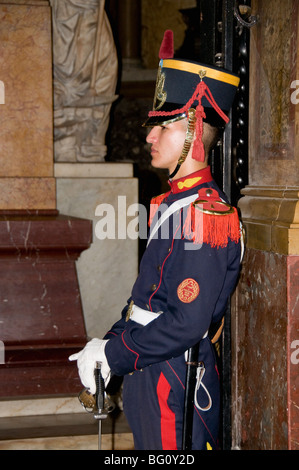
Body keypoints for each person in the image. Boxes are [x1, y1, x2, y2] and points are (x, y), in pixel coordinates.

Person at [69, 30, 242, 450]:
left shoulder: (206, 214)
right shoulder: (174, 203)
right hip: (150, 369)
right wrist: (109, 342)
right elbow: (147, 301)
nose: (149, 137)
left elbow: (186, 322)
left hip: (175, 379)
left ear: (193, 133)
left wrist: (115, 355)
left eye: (162, 127)